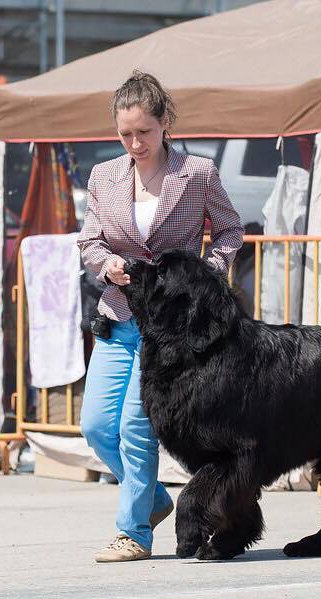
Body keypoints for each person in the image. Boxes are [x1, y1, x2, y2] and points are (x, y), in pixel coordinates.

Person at [77, 70, 244, 562]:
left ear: (165, 122)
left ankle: (134, 533)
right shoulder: (102, 176)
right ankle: (151, 499)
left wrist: (204, 278)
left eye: (144, 132)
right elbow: (88, 241)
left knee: (134, 426)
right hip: (117, 316)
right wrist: (104, 262)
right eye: (125, 134)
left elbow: (230, 230)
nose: (134, 143)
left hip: (171, 331)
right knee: (95, 427)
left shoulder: (198, 173)